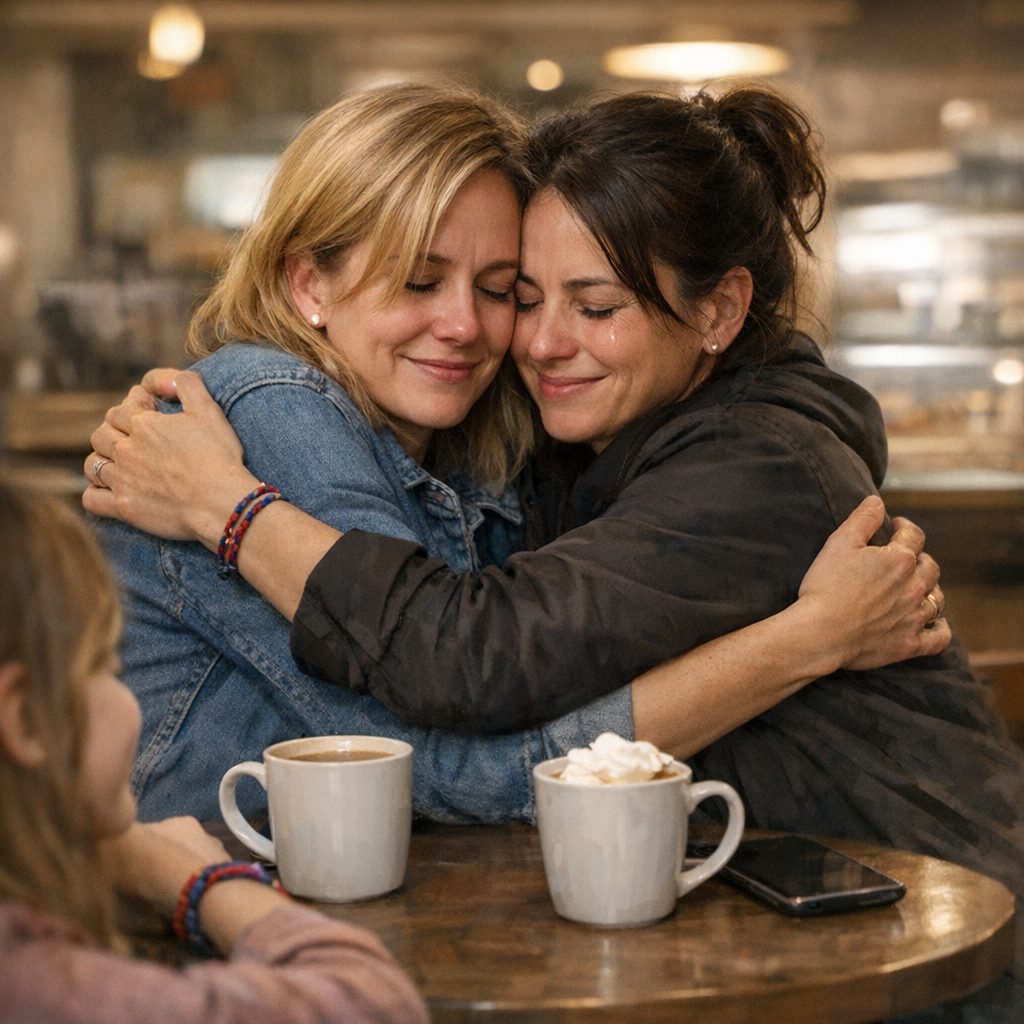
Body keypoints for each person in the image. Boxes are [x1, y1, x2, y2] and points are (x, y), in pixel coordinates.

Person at [87, 85, 1024, 1020]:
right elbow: (463, 752)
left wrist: (230, 506)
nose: (517, 336)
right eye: (521, 296)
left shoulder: (745, 459)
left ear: (719, 312)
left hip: (927, 961)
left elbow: (465, 666)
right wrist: (810, 638)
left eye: (581, 302)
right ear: (306, 283)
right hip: (226, 953)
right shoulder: (289, 407)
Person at [0, 476, 428, 1024]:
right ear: (27, 720)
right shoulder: (45, 991)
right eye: (108, 667)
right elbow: (373, 1004)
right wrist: (199, 881)